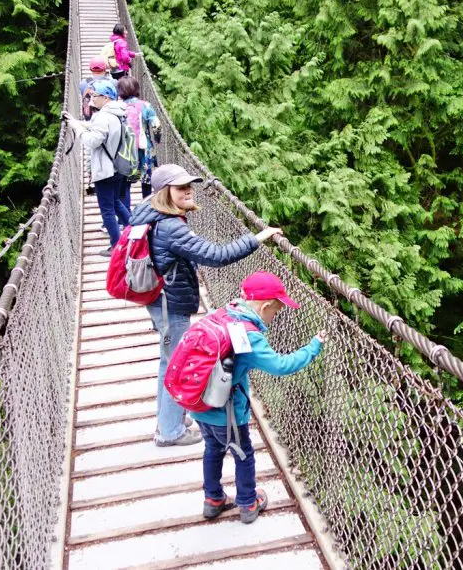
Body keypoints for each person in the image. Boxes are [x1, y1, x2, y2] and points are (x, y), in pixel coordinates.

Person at [127, 165, 285, 447]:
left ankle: (171, 415)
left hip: (158, 297)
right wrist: (257, 238)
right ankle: (170, 431)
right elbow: (216, 255)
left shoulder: (148, 211)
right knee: (174, 362)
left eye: (190, 185)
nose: (188, 190)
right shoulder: (170, 227)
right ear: (165, 193)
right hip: (169, 303)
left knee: (169, 359)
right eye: (180, 187)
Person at [193, 271, 324, 524]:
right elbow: (282, 365)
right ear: (264, 306)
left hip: (198, 404)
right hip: (227, 413)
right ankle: (248, 503)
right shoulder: (249, 336)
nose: (273, 318)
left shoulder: (225, 312)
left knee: (213, 448)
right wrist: (313, 346)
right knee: (243, 453)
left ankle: (213, 500)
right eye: (274, 312)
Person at [64, 80, 131, 256]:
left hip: (105, 170)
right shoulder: (118, 112)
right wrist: (75, 122)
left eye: (95, 96)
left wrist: (78, 131)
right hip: (117, 167)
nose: (91, 99)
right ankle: (136, 231)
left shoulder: (102, 116)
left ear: (106, 97)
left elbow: (92, 140)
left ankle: (116, 246)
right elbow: (98, 127)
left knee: (107, 209)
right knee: (116, 203)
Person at [117, 76, 160, 197]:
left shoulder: (117, 107)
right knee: (146, 181)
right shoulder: (146, 105)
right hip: (145, 148)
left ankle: (126, 214)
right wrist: (157, 139)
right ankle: (146, 207)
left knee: (125, 182)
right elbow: (156, 125)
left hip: (125, 150)